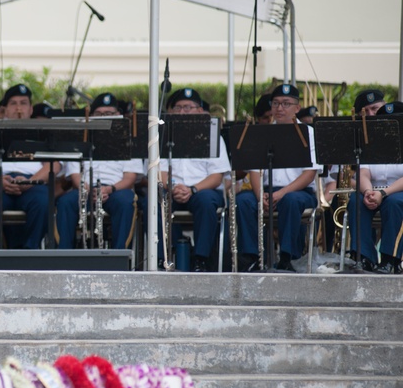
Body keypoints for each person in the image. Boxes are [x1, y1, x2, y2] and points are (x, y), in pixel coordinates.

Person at [235, 84, 320, 272]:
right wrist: (260, 196)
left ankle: (288, 257)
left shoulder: (308, 133)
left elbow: (309, 173)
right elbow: (255, 171)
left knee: (290, 200)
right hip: (266, 190)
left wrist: (282, 193)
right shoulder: (261, 133)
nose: (280, 108)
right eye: (276, 104)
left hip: (297, 191)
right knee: (243, 201)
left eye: (286, 104)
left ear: (297, 108)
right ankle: (250, 257)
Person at [0, 84, 58, 249]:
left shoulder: (43, 132)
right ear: (4, 109)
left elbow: (53, 166)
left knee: (43, 200)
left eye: (23, 103)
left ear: (31, 109)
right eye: (13, 103)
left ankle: (30, 252)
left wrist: (29, 182)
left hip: (32, 184)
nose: (18, 108)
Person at [55, 93, 142, 251]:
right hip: (85, 188)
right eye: (99, 114)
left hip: (116, 189)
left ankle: (119, 256)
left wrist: (109, 189)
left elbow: (130, 176)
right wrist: (89, 190)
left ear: (118, 115)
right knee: (65, 202)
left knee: (125, 202)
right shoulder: (81, 136)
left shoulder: (128, 136)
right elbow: (74, 175)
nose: (104, 118)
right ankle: (65, 256)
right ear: (91, 116)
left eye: (109, 114)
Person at [157, 88, 230, 271]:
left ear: (199, 111)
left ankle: (201, 258)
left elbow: (216, 176)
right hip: (172, 189)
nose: (183, 112)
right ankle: (168, 255)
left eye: (188, 107)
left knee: (206, 202)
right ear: (171, 112)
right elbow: (160, 171)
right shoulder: (164, 135)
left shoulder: (212, 135)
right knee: (156, 202)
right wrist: (174, 187)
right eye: (179, 108)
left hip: (202, 190)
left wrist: (192, 190)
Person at [347, 103, 403, 274]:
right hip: (374, 191)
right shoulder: (371, 144)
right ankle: (364, 258)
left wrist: (383, 193)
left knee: (394, 203)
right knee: (356, 201)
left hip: (396, 193)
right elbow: (363, 173)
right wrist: (367, 192)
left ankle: (389, 260)